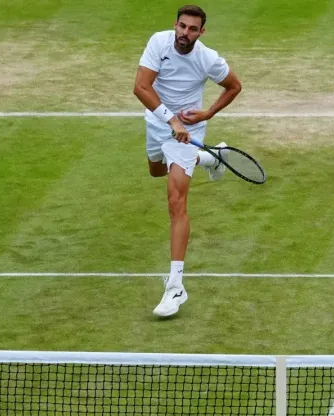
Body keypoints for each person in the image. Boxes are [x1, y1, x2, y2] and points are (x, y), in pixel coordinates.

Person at [133, 5, 242, 317]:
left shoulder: (207, 58)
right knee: (155, 171)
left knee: (176, 202)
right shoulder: (159, 42)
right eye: (182, 26)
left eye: (193, 29)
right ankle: (210, 157)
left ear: (201, 32)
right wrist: (170, 122)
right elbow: (141, 87)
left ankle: (176, 286)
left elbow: (234, 86)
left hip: (188, 129)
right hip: (159, 123)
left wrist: (207, 113)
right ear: (175, 25)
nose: (185, 33)